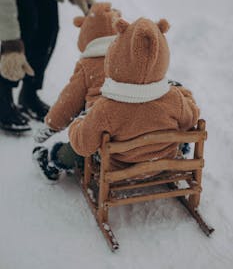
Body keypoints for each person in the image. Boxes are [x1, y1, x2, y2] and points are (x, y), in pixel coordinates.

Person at [33, 16, 200, 181]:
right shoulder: (173, 98)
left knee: (85, 144)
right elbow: (191, 118)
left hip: (122, 169)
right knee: (179, 127)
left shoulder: (107, 107)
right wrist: (182, 93)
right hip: (164, 162)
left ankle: (53, 159)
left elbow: (83, 144)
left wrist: (79, 122)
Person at [0, 0, 94, 132]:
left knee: (49, 29)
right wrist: (11, 44)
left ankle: (30, 93)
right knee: (27, 22)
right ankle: (2, 95)